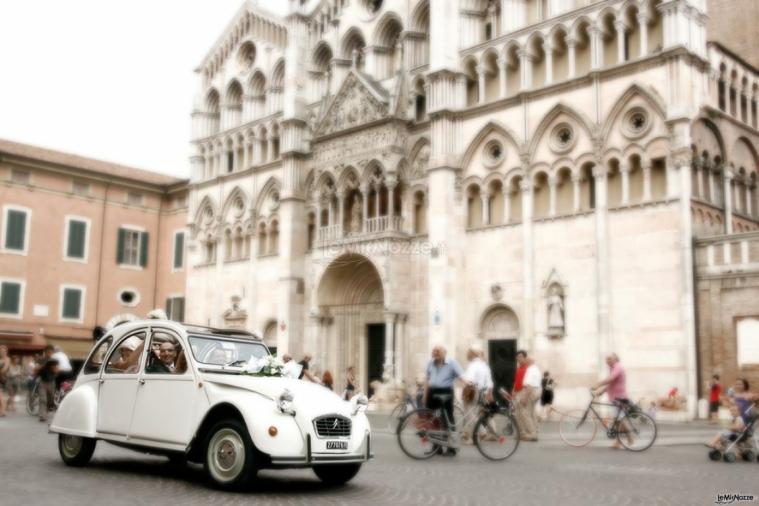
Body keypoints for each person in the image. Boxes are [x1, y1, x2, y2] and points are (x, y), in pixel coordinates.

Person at [423, 344, 467, 456]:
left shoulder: (452, 362)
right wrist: (425, 395)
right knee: (433, 420)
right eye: (433, 351)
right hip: (432, 392)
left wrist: (468, 383)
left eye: (437, 351)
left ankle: (452, 448)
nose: (435, 353)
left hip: (446, 392)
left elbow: (462, 376)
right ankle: (436, 446)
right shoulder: (430, 363)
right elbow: (427, 380)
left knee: (448, 420)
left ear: (444, 353)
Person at [592, 353, 631, 449]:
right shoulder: (613, 368)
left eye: (609, 359)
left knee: (619, 420)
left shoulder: (618, 367)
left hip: (620, 397)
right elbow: (611, 383)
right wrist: (601, 391)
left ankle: (629, 438)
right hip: (616, 397)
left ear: (615, 359)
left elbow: (611, 379)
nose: (607, 361)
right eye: (606, 359)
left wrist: (598, 384)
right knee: (618, 420)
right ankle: (619, 441)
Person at [462, 343, 494, 443]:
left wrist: (464, 391)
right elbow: (489, 382)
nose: (466, 354)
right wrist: (489, 394)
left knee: (471, 415)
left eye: (468, 352)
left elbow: (469, 380)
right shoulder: (484, 365)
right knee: (480, 414)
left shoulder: (473, 365)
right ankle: (473, 435)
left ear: (472, 353)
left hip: (473, 391)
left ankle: (480, 433)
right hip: (482, 392)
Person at [36, 346, 60, 423]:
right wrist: (44, 365)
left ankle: (46, 412)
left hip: (51, 382)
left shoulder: (54, 361)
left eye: (51, 352)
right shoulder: (41, 360)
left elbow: (56, 370)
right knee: (43, 399)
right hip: (42, 381)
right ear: (45, 352)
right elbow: (37, 369)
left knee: (50, 399)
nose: (49, 353)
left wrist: (55, 369)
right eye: (48, 352)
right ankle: (42, 416)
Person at [0, 345, 9, 417]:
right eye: (1, 351)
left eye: (3, 351)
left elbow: (4, 369)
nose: (2, 352)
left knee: (1, 395)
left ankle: (3, 411)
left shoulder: (7, 359)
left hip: (2, 378)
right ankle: (2, 410)